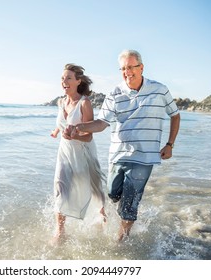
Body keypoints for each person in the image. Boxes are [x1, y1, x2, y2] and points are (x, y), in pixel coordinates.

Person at [68, 50, 180, 242]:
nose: (127, 72)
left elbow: (175, 115)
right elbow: (102, 123)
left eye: (131, 67)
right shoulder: (115, 93)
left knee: (129, 203)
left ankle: (122, 239)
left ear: (141, 67)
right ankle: (126, 215)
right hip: (118, 155)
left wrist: (170, 144)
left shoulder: (160, 89)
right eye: (123, 68)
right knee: (113, 194)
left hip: (145, 157)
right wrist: (80, 127)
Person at [51, 63, 107, 244]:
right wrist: (57, 131)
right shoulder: (61, 102)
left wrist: (75, 134)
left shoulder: (85, 103)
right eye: (62, 78)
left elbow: (89, 135)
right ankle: (60, 232)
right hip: (65, 154)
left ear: (78, 81)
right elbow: (63, 122)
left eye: (68, 78)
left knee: (96, 190)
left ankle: (103, 218)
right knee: (60, 188)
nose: (64, 81)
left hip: (84, 154)